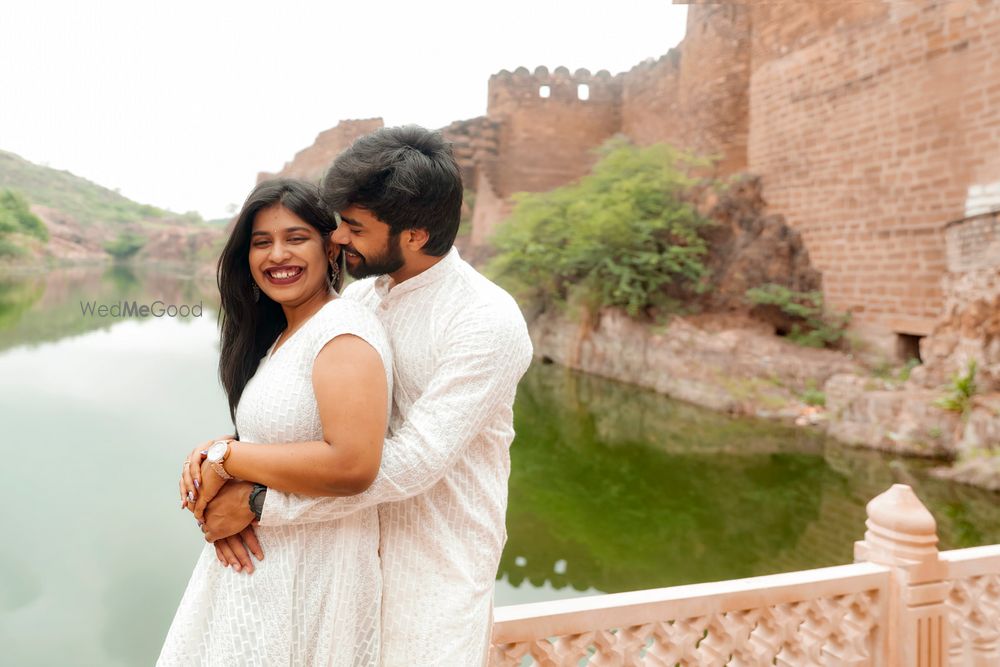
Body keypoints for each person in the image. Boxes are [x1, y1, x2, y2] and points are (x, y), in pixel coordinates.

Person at [199, 126, 533, 665]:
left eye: (354, 227)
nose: (337, 239)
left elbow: (409, 463)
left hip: (430, 575)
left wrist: (260, 502)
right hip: (340, 563)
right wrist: (229, 455)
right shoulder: (365, 297)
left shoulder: (483, 320)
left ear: (416, 235)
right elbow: (316, 419)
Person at [157, 179, 394, 666]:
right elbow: (282, 434)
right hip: (259, 583)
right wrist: (216, 451)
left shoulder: (341, 332)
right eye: (261, 242)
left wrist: (227, 459)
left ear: (330, 248)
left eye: (296, 238)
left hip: (305, 584)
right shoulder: (282, 335)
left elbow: (352, 464)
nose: (277, 254)